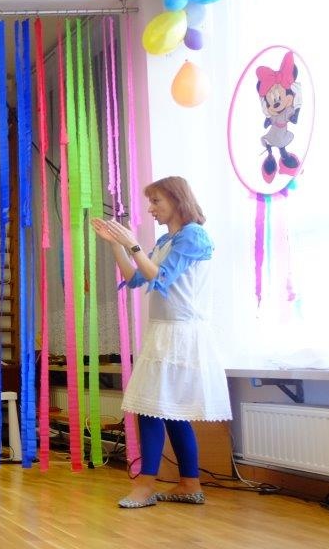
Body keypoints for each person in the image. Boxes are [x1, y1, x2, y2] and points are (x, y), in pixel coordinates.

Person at [92, 176, 231, 508]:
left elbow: (162, 277)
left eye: (156, 201)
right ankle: (189, 484)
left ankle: (146, 486)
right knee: (170, 412)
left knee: (150, 408)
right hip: (164, 333)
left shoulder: (194, 235)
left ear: (177, 200)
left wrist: (133, 244)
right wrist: (116, 244)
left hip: (181, 334)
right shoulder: (167, 239)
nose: (151, 209)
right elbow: (135, 277)